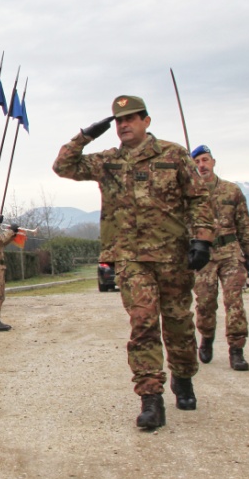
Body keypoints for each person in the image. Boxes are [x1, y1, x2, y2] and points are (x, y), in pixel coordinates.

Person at [53, 95, 213, 430]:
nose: (124, 125)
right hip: (129, 258)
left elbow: (198, 198)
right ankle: (151, 398)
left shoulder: (173, 155)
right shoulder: (108, 161)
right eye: (118, 120)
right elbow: (63, 166)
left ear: (146, 121)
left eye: (130, 118)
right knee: (143, 322)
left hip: (172, 255)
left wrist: (202, 239)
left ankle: (183, 376)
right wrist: (86, 135)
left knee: (179, 323)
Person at [190, 145, 249, 371]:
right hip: (204, 255)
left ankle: (236, 350)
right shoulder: (189, 193)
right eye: (197, 162)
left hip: (230, 252)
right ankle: (206, 337)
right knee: (205, 303)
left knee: (234, 301)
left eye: (205, 160)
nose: (202, 165)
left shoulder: (232, 191)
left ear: (213, 162)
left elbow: (243, 224)